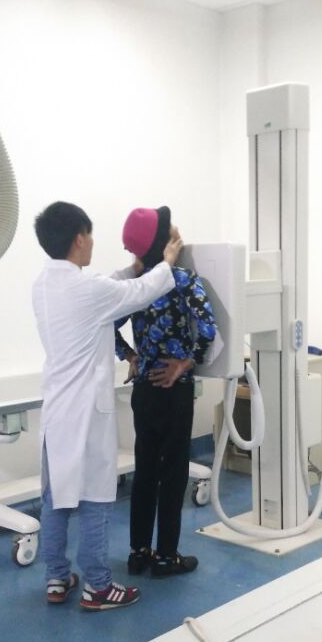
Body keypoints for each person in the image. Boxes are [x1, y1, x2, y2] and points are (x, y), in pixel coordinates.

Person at [32, 201, 181, 608]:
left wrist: (133, 268)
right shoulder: (88, 290)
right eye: (92, 234)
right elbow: (137, 294)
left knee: (55, 499)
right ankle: (98, 586)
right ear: (80, 238)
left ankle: (56, 578)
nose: (94, 241)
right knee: (95, 499)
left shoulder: (45, 284)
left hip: (57, 411)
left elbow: (107, 288)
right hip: (86, 413)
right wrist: (167, 261)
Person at [115, 206, 217, 578]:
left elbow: (105, 325)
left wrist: (131, 356)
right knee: (173, 473)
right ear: (164, 242)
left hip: (144, 389)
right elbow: (208, 327)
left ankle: (138, 552)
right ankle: (166, 556)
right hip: (174, 390)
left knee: (145, 470)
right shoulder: (182, 279)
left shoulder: (135, 284)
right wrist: (186, 363)